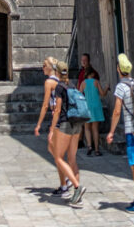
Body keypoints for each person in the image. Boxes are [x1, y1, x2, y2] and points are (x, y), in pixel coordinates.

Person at [106, 53, 134, 214]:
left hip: (133, 132)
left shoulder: (121, 87)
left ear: (118, 69)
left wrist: (111, 131)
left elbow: (117, 111)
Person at [49, 61, 86, 209]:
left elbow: (57, 110)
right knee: (72, 159)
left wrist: (52, 129)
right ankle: (77, 197)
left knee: (58, 157)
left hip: (65, 123)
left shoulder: (59, 87)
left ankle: (77, 187)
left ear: (57, 73)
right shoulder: (71, 85)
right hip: (77, 123)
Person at [34, 56, 69, 196]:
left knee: (58, 155)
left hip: (57, 119)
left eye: (44, 65)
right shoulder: (59, 80)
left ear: (50, 67)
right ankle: (66, 178)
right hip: (62, 117)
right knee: (52, 149)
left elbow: (45, 104)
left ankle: (65, 183)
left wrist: (38, 124)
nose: (42, 68)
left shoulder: (49, 82)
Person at [79, 65, 109, 156]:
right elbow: (103, 94)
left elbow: (79, 95)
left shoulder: (83, 83)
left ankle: (89, 146)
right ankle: (96, 150)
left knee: (87, 128)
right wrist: (107, 88)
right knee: (95, 129)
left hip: (87, 106)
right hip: (96, 106)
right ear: (92, 73)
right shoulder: (96, 82)